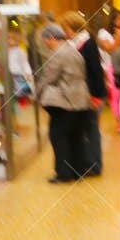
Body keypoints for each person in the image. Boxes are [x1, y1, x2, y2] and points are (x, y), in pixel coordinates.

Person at [34, 23, 92, 184]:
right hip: (81, 99)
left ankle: (64, 173)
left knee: (58, 137)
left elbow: (48, 77)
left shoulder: (57, 54)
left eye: (46, 40)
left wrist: (37, 94)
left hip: (66, 102)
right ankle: (77, 171)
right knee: (76, 137)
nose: (46, 43)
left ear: (52, 38)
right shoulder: (74, 51)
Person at [62, 10, 107, 177]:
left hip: (90, 93)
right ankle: (87, 162)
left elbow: (95, 70)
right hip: (81, 94)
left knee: (91, 129)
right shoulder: (76, 43)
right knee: (85, 129)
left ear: (73, 27)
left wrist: (96, 95)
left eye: (66, 28)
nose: (64, 31)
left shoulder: (87, 43)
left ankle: (94, 165)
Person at [101, 10, 120, 135]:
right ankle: (119, 123)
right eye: (119, 19)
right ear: (113, 20)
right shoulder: (104, 33)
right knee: (117, 95)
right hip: (112, 67)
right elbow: (110, 49)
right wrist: (119, 38)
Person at [6, 27, 33, 137]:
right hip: (6, 79)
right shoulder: (3, 50)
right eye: (8, 38)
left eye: (12, 39)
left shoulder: (20, 51)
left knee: (15, 104)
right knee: (8, 104)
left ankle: (14, 127)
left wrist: (28, 73)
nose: (9, 41)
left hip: (17, 78)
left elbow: (25, 63)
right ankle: (9, 126)